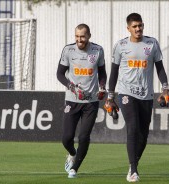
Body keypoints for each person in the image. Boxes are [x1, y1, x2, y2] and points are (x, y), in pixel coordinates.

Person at [105, 13, 169, 182]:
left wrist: (165, 89)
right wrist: (110, 96)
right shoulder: (120, 46)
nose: (138, 29)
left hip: (146, 95)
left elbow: (160, 69)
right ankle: (133, 170)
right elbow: (113, 73)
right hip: (127, 93)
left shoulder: (152, 43)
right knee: (133, 128)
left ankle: (132, 163)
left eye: (140, 25)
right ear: (128, 28)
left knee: (143, 135)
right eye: (134, 26)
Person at [56, 23, 107, 178]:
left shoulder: (97, 50)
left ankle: (74, 168)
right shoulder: (68, 50)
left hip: (91, 102)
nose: (79, 39)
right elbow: (59, 74)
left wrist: (102, 87)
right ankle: (72, 153)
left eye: (82, 36)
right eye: (77, 36)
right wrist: (72, 87)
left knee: (84, 137)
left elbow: (102, 74)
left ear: (89, 36)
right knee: (66, 138)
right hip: (72, 100)